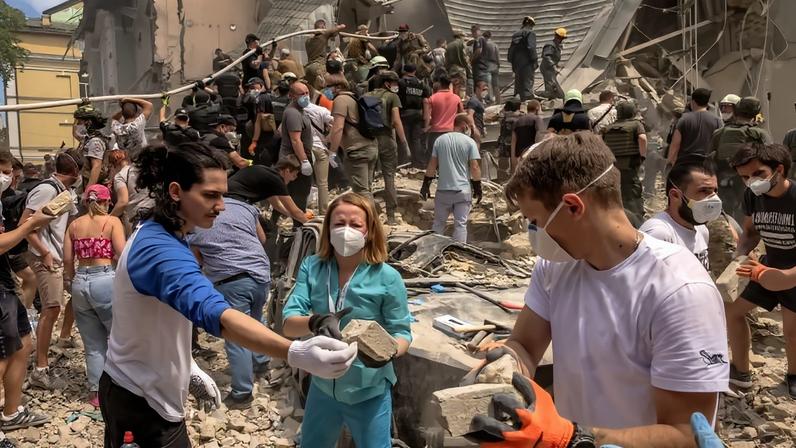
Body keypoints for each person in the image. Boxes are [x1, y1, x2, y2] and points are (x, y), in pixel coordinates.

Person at [100, 143, 357, 447]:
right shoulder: (160, 251)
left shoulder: (163, 230)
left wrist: (187, 367)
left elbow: (157, 319)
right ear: (175, 191)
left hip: (137, 386)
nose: (221, 206)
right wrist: (295, 352)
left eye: (222, 195)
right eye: (210, 195)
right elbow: (216, 314)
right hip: (141, 401)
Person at [481, 132, 728, 446]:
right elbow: (525, 345)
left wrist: (576, 439)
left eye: (536, 221)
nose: (535, 234)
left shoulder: (679, 292)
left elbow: (685, 434)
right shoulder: (556, 266)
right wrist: (507, 362)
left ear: (573, 206)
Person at [282, 192, 412, 448]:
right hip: (321, 385)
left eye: (355, 225)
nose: (346, 230)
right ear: (328, 228)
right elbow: (288, 323)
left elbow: (403, 333)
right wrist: (315, 321)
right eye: (339, 223)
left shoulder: (387, 277)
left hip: (369, 391)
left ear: (370, 230)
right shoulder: (313, 267)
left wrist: (387, 352)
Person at [188, 191, 272, 410]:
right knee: (256, 319)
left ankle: (242, 393)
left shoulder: (196, 221)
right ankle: (261, 363)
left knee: (236, 336)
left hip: (230, 281)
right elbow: (262, 238)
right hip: (261, 274)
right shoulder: (246, 207)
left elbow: (195, 260)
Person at [725, 143, 796, 398]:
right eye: (744, 177)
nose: (751, 182)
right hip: (765, 266)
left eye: (758, 174)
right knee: (731, 310)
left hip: (793, 273)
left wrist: (787, 277)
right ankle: (741, 372)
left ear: (779, 170)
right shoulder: (752, 197)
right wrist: (740, 256)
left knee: (792, 331)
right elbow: (751, 232)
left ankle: (793, 376)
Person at [0, 151, 55, 431]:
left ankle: (11, 412)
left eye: (11, 172)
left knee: (23, 345)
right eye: (5, 171)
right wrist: (30, 225)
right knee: (4, 356)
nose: (9, 177)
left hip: (5, 285)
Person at [21, 152, 82, 390]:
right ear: (76, 172)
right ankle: (40, 369)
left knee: (69, 299)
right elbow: (25, 225)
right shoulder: (47, 190)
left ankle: (58, 343)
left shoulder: (65, 191)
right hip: (44, 258)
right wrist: (45, 253)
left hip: (57, 256)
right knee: (52, 308)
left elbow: (67, 224)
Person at [62, 184, 125, 407]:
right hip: (105, 280)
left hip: (80, 282)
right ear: (107, 202)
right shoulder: (112, 222)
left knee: (93, 343)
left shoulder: (74, 225)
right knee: (119, 337)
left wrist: (70, 282)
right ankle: (123, 386)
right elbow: (121, 253)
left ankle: (96, 394)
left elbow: (68, 260)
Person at [640, 161, 719, 271]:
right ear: (675, 196)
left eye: (715, 191)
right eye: (703, 191)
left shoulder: (702, 230)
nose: (713, 199)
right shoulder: (658, 234)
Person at [420, 114, 482, 242]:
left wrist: (425, 185)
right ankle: (459, 254)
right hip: (462, 192)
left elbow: (432, 164)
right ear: (464, 126)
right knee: (460, 225)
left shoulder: (440, 140)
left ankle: (434, 252)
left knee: (438, 224)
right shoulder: (470, 142)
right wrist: (477, 187)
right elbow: (474, 167)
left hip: (443, 191)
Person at [710, 96, 772, 223]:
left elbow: (710, 154)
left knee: (724, 211)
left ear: (737, 110)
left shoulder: (720, 132)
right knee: (746, 210)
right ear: (755, 113)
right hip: (748, 178)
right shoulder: (758, 133)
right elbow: (771, 155)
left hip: (722, 177)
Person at [328, 76, 379, 200]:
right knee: (367, 188)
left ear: (338, 87)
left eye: (328, 87)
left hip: (357, 151)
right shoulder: (354, 98)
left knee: (361, 192)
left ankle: (369, 218)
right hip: (371, 147)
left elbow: (338, 128)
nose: (327, 90)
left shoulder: (340, 100)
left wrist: (332, 152)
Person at [368, 71, 407, 225]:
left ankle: (369, 214)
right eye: (394, 82)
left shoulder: (367, 95)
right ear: (386, 83)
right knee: (389, 176)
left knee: (368, 178)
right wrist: (404, 143)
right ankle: (391, 216)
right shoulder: (392, 97)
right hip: (386, 139)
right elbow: (396, 121)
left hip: (369, 140)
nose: (396, 86)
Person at [226, 156, 310, 225]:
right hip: (235, 199)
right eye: (294, 175)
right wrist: (310, 224)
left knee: (265, 228)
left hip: (227, 193)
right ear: (287, 171)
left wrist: (292, 215)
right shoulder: (276, 180)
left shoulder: (268, 174)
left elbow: (277, 205)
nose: (294, 179)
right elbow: (294, 211)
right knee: (264, 233)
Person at [601, 100, 647, 221]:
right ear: (632, 112)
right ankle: (637, 220)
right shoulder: (636, 125)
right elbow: (642, 138)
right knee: (633, 194)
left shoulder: (608, 128)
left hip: (612, 167)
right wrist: (642, 157)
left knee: (617, 193)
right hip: (630, 165)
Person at [279, 82, 315, 224]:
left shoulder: (299, 110)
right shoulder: (293, 113)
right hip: (295, 161)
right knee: (299, 193)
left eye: (307, 93)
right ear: (292, 96)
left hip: (297, 158)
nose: (306, 96)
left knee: (293, 193)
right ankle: (298, 226)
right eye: (302, 94)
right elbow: (295, 140)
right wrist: (304, 161)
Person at [667, 88, 724, 165]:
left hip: (685, 164)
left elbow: (675, 144)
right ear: (707, 103)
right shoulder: (718, 120)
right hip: (707, 165)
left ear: (693, 102)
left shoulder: (684, 119)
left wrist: (669, 162)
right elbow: (720, 144)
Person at [424, 75, 464, 167]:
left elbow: (427, 116)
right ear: (449, 84)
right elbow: (462, 114)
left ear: (440, 84)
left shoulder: (432, 98)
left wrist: (426, 128)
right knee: (449, 158)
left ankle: (433, 177)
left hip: (435, 132)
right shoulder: (456, 98)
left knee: (433, 158)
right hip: (450, 133)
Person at [304, 99, 334, 215]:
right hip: (320, 147)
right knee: (323, 183)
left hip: (304, 148)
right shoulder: (321, 110)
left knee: (304, 181)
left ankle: (302, 209)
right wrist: (329, 138)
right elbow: (336, 123)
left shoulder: (294, 110)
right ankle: (323, 212)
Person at [398, 64, 431, 167]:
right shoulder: (421, 84)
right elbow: (426, 99)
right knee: (416, 140)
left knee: (404, 138)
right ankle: (418, 163)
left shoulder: (401, 83)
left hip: (404, 114)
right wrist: (426, 119)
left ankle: (404, 163)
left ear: (404, 71)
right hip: (418, 114)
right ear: (415, 71)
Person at [73, 104, 110, 188]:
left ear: (88, 122)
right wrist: (81, 107)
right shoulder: (87, 139)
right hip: (83, 184)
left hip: (92, 186)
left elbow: (96, 167)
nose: (77, 125)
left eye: (79, 122)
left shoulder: (95, 142)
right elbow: (75, 133)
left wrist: (89, 191)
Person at [305, 20, 346, 90]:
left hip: (308, 68)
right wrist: (329, 31)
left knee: (311, 92)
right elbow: (342, 26)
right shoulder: (323, 36)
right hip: (318, 67)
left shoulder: (308, 41)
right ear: (323, 27)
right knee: (322, 90)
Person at [507, 16, 538, 101]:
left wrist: (512, 62)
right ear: (531, 24)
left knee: (518, 84)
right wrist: (535, 60)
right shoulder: (530, 33)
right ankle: (527, 104)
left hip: (517, 63)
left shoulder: (516, 34)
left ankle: (517, 103)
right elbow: (531, 48)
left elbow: (511, 49)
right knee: (527, 84)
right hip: (527, 63)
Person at [511, 99, 544, 170]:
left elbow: (513, 142)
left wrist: (513, 158)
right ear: (537, 108)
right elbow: (539, 137)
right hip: (531, 156)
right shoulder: (537, 119)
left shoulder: (517, 122)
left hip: (519, 157)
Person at [540, 28, 567, 99]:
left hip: (550, 69)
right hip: (547, 68)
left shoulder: (556, 46)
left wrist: (557, 66)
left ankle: (551, 97)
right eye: (560, 38)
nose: (561, 40)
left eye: (562, 38)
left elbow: (554, 57)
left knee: (551, 86)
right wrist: (554, 66)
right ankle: (539, 96)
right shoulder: (550, 45)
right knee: (552, 86)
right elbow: (546, 56)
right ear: (556, 36)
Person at [445, 32, 470, 97]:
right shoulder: (462, 44)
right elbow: (465, 57)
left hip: (451, 69)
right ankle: (461, 102)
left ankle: (453, 101)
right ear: (460, 36)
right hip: (460, 69)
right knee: (462, 87)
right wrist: (467, 66)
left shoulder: (449, 45)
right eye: (464, 36)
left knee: (453, 86)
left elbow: (446, 59)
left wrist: (447, 69)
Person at [479, 31, 501, 104]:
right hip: (495, 65)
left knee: (489, 84)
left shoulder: (483, 45)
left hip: (487, 65)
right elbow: (498, 57)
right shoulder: (495, 45)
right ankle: (498, 100)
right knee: (496, 85)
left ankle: (491, 100)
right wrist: (498, 64)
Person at [465, 80, 488, 146]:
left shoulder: (480, 100)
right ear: (477, 89)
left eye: (486, 90)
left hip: (480, 128)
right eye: (483, 89)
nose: (485, 92)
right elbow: (469, 115)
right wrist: (474, 128)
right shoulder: (474, 101)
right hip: (475, 130)